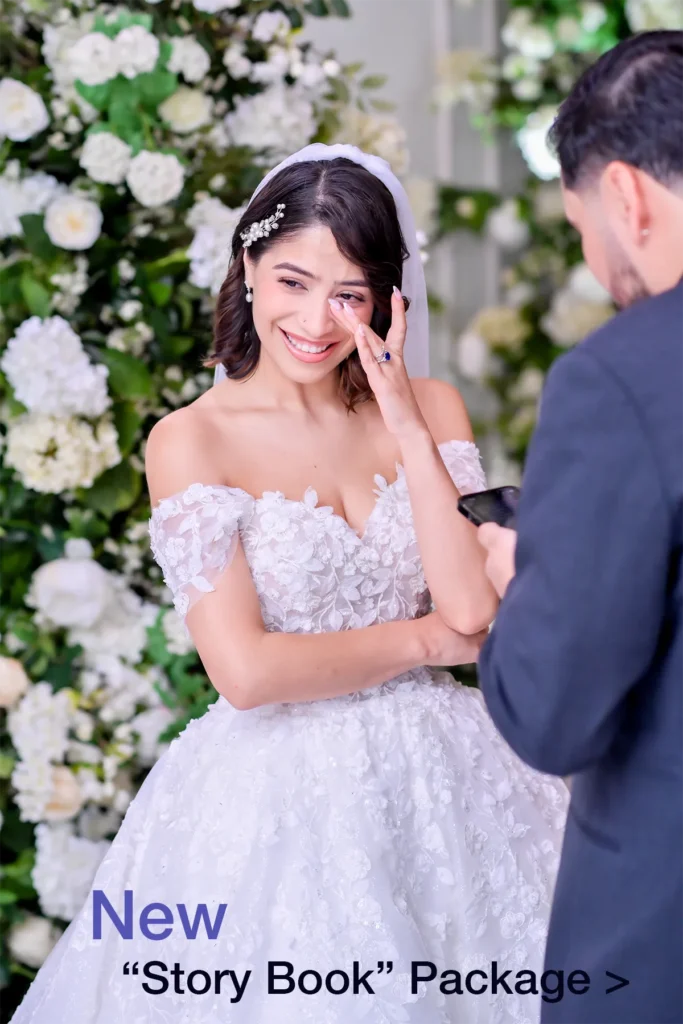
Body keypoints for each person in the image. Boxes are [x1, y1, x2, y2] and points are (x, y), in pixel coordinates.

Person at [10, 144, 568, 1024]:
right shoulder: (191, 440)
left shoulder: (433, 405)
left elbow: (472, 607)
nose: (316, 319)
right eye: (293, 282)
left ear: (388, 300)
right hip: (276, 794)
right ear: (248, 269)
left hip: (451, 780)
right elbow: (247, 671)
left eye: (349, 293)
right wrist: (424, 644)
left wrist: (408, 429)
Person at [475, 30, 683, 1024]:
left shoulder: (619, 378)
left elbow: (552, 715)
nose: (598, 268)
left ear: (625, 198)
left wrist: (524, 573)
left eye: (580, 230)